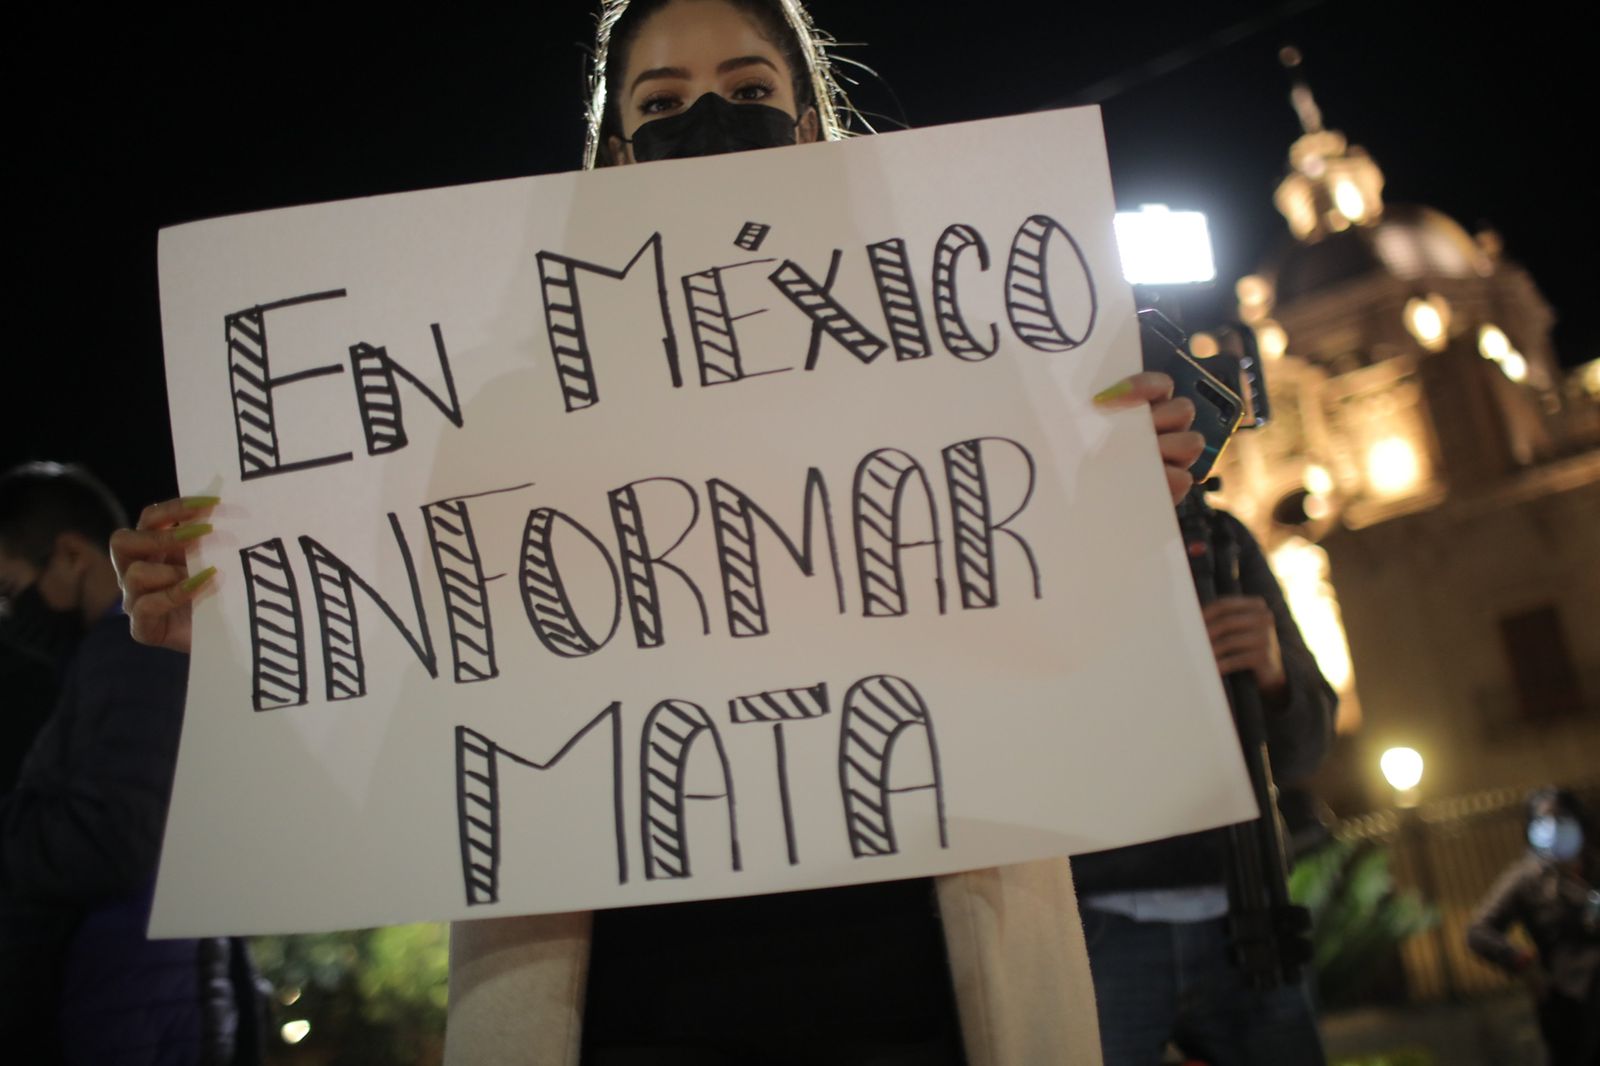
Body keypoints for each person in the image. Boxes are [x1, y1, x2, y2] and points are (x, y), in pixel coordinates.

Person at [112, 2, 1210, 1063]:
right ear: (621, 153)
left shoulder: (954, 376)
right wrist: (248, 630)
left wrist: (1105, 521)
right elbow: (432, 698)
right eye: (665, 101)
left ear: (810, 123)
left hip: (924, 986)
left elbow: (1054, 663)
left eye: (747, 90)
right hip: (624, 1006)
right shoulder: (509, 416)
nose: (711, 122)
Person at [0, 462, 262, 1066]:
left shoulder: (135, 650)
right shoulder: (119, 654)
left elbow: (112, 835)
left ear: (70, 555)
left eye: (10, 592)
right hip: (144, 1000)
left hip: (137, 1008)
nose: (10, 620)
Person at [1071, 487, 1337, 1066]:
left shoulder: (1220, 540)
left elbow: (1305, 751)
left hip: (1246, 913)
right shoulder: (1029, 538)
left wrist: (1271, 672)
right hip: (1091, 923)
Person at [1467, 787, 1600, 1066]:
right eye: (1542, 820)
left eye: (1561, 818)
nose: (1553, 828)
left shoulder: (1594, 866)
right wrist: (1521, 962)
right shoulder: (1527, 879)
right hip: (1570, 1004)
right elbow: (1479, 932)